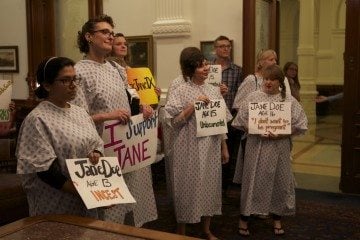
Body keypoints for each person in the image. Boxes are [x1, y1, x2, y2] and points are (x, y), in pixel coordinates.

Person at [73, 14, 157, 227]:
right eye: (105, 32)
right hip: (101, 151)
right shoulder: (79, 72)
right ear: (89, 37)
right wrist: (106, 116)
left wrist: (142, 108)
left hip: (126, 148)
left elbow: (130, 100)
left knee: (129, 205)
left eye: (112, 32)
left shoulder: (116, 69)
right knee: (109, 212)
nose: (110, 36)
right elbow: (75, 119)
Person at [16, 56, 104, 218]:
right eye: (65, 80)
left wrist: (96, 153)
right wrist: (83, 192)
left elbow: (96, 142)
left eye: (74, 79)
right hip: (56, 201)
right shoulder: (38, 119)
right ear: (47, 85)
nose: (73, 86)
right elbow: (44, 170)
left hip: (86, 197)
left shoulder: (80, 112)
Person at [232, 65, 308, 236]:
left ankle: (277, 218)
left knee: (279, 183)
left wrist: (282, 134)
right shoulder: (253, 97)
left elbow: (301, 125)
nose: (268, 82)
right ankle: (244, 218)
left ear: (280, 82)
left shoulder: (288, 100)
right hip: (256, 146)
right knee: (252, 180)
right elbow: (239, 122)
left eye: (272, 79)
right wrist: (255, 128)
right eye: (266, 78)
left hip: (279, 147)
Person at [164, 47, 231, 240]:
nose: (205, 68)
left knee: (210, 187)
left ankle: (206, 230)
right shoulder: (181, 90)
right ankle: (182, 231)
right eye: (200, 65)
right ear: (190, 68)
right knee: (186, 187)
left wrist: (224, 147)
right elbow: (173, 122)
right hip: (188, 147)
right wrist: (193, 105)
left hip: (210, 147)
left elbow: (221, 123)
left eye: (205, 64)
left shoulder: (213, 90)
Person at [212, 35, 243, 197]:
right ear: (215, 49)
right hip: (210, 117)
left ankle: (224, 189)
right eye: (222, 46)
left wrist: (227, 92)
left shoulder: (238, 70)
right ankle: (211, 186)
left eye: (228, 46)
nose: (225, 49)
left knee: (228, 153)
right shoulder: (207, 69)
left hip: (230, 118)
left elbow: (241, 95)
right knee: (211, 153)